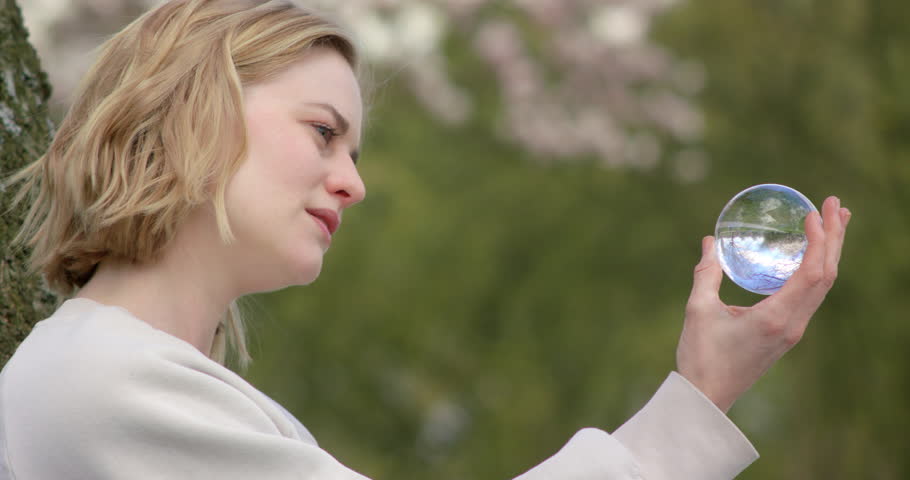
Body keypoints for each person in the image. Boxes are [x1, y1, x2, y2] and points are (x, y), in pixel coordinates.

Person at [0, 0, 851, 479]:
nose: (353, 182)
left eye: (355, 151)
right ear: (194, 110)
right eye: (323, 132)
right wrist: (698, 400)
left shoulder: (116, 375)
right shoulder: (105, 386)